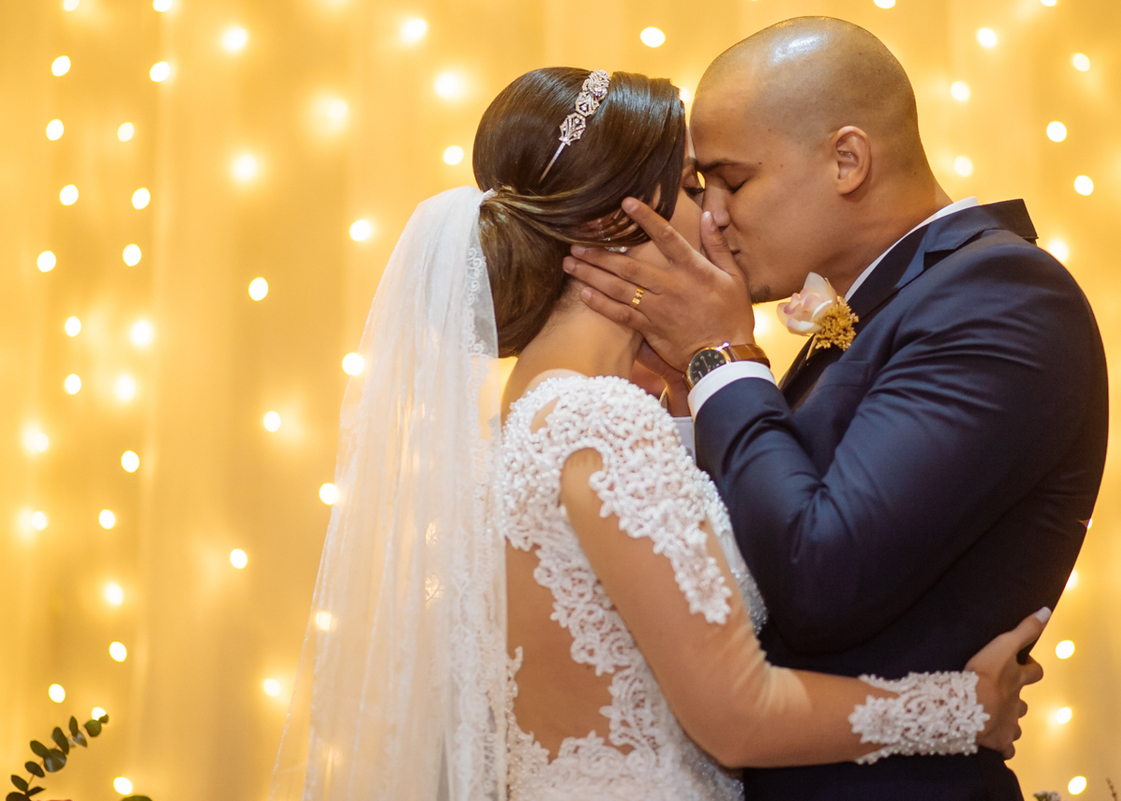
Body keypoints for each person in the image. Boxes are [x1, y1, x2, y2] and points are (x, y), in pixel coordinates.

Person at [269, 66, 1049, 801]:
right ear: (615, 222)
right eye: (690, 187)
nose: (718, 215)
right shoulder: (600, 423)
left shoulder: (531, 414)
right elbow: (736, 714)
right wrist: (964, 707)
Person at [565, 18, 1108, 801]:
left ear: (848, 159)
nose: (712, 216)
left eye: (732, 181)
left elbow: (821, 575)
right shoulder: (884, 302)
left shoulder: (1000, 299)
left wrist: (720, 355)